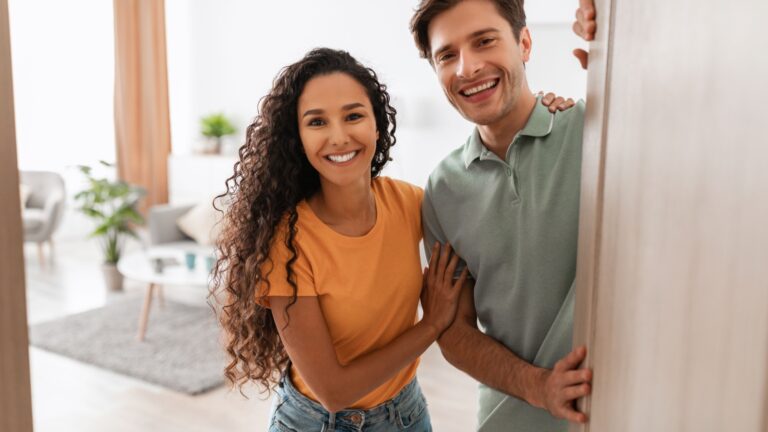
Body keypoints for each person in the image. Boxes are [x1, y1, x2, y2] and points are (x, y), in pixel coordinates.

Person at [210, 47, 576, 431]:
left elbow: (490, 207)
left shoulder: (410, 203)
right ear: (297, 137)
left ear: (377, 125)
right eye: (317, 122)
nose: (338, 136)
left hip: (407, 414)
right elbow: (335, 390)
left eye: (353, 116)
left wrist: (548, 115)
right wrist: (429, 327)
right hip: (318, 422)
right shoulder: (287, 243)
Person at [409, 0, 597, 430]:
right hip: (505, 419)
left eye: (484, 41)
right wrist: (538, 386)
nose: (467, 68)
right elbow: (454, 333)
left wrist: (612, 45)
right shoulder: (442, 190)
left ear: (524, 43)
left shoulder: (594, 132)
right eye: (447, 56)